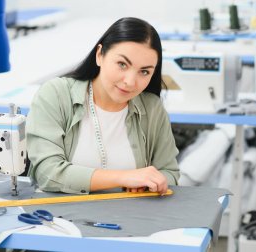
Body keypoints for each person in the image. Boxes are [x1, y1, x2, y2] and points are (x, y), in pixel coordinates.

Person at [26, 17, 179, 195]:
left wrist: (150, 183)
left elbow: (170, 174)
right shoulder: (55, 94)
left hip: (131, 218)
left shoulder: (152, 108)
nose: (130, 82)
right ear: (100, 55)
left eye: (144, 71)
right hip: (60, 218)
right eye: (122, 64)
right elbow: (47, 172)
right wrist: (124, 178)